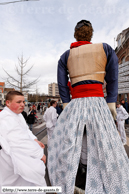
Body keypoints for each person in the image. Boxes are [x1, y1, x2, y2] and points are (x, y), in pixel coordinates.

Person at [47, 20, 129, 194]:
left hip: (76, 103)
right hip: (98, 102)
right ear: (91, 33)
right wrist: (111, 102)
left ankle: (77, 176)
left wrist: (66, 104)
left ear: (75, 34)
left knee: (71, 142)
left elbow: (63, 85)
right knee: (104, 143)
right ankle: (103, 177)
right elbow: (113, 78)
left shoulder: (65, 56)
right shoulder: (105, 49)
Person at [0, 91, 46, 192]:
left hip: (21, 156)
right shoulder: (6, 118)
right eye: (18, 102)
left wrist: (34, 139)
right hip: (13, 159)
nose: (22, 104)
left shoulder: (18, 115)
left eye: (23, 102)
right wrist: (39, 154)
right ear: (8, 103)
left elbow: (25, 130)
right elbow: (20, 141)